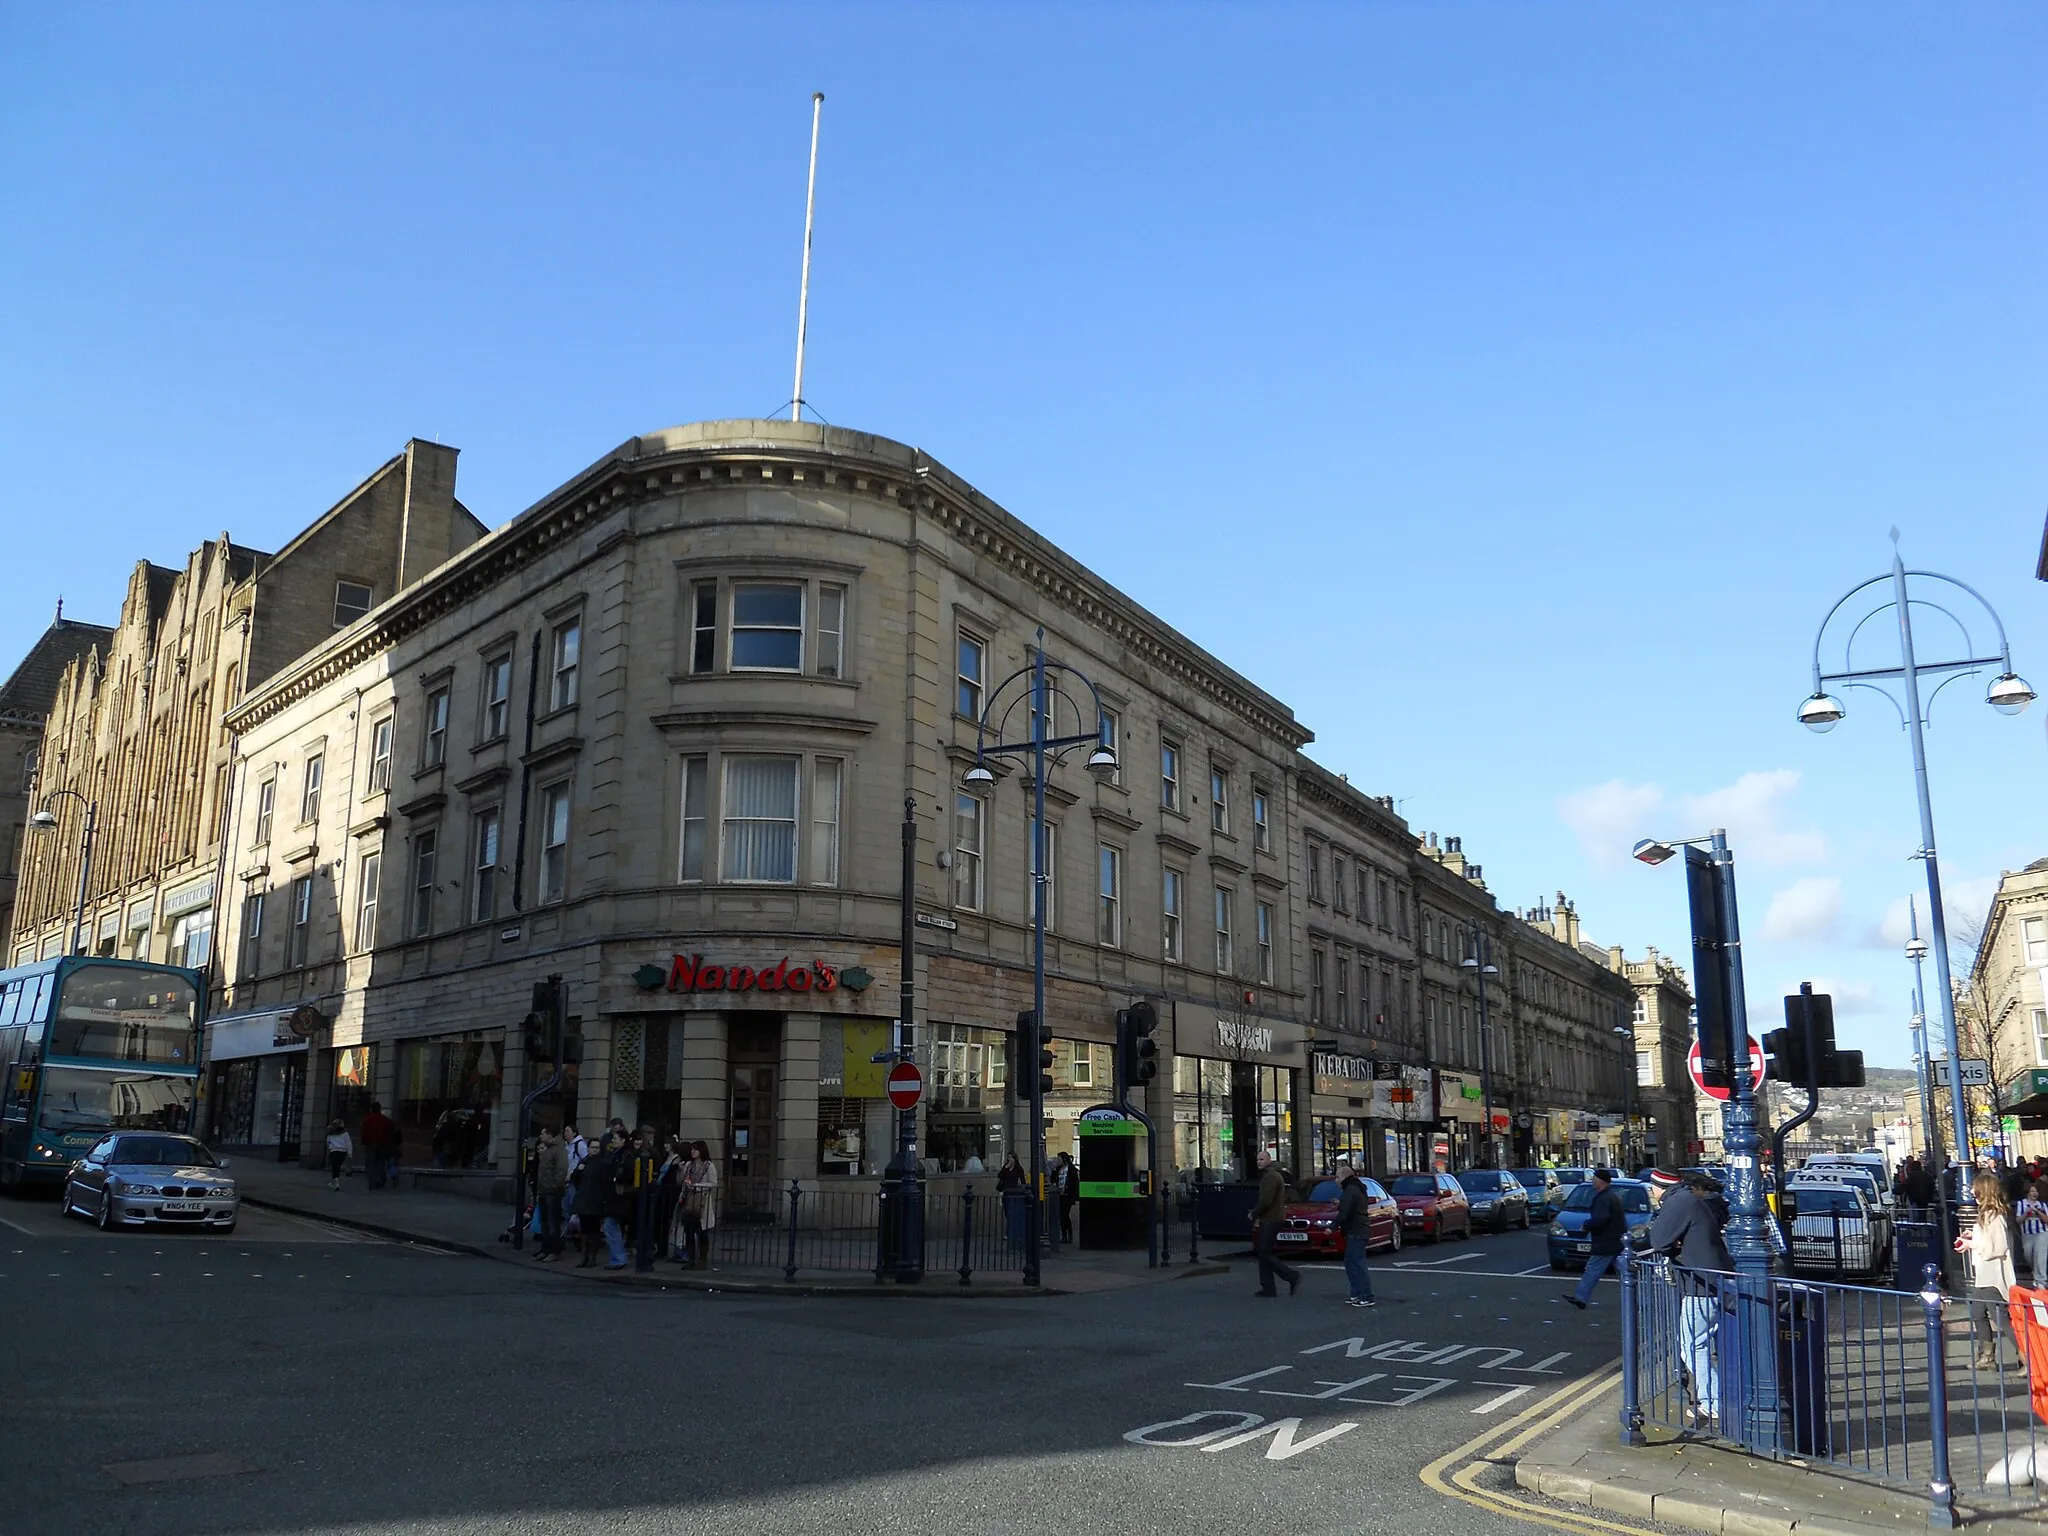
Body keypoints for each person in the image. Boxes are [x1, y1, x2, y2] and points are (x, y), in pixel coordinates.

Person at [1649, 1170, 1734, 1427]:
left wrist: (1673, 1245)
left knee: (1692, 1346)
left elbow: (1658, 1240)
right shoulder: (1687, 1200)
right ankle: (1719, 1399)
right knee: (1704, 1344)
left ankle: (1714, 1403)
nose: (1651, 1191)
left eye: (1652, 1187)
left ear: (1659, 1186)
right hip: (1711, 1281)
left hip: (1700, 1286)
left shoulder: (1678, 1202)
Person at [1959, 1171, 2018, 1369]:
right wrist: (1972, 1235)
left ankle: (2027, 1356)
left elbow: (1997, 1247)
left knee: (2000, 1318)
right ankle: (1987, 1357)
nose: (1973, 1194)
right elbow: (1986, 1238)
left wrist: (1971, 1245)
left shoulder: (1994, 1215)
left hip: (1993, 1276)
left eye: (1976, 1191)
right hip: (1984, 1275)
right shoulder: (1986, 1215)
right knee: (1978, 1313)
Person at [1563, 1168, 1626, 1309]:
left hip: (1605, 1242)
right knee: (1624, 1272)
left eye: (1594, 1179)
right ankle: (1637, 1298)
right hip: (1615, 1241)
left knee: (1593, 1269)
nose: (1592, 1181)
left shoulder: (1604, 1198)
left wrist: (1586, 1225)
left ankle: (1581, 1298)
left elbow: (1601, 1219)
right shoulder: (1610, 1196)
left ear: (1601, 1181)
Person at [1250, 1150, 1301, 1299]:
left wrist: (1254, 1213)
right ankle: (1268, 1287)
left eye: (1262, 1159)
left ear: (1269, 1160)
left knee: (1265, 1252)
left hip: (1271, 1218)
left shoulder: (1271, 1176)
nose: (1259, 1162)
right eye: (1258, 1159)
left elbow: (1266, 1200)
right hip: (1271, 1217)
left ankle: (1291, 1276)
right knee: (1263, 1252)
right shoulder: (1270, 1174)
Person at [1333, 1160, 1376, 1308]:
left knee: (1356, 1264)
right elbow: (1352, 1207)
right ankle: (1357, 1294)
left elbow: (1344, 1213)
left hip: (1356, 1231)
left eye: (1337, 1177)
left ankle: (1366, 1296)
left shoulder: (1350, 1190)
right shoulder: (1356, 1188)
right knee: (1352, 1263)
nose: (1336, 1180)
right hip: (1357, 1230)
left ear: (1344, 1177)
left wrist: (1332, 1227)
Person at [573, 1131, 616, 1268]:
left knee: (594, 1230)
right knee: (584, 1229)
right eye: (593, 1147)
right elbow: (575, 1179)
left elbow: (605, 1183)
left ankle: (592, 1257)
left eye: (597, 1148)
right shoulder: (584, 1161)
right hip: (584, 1198)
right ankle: (584, 1256)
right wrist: (578, 1171)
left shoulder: (603, 1163)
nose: (595, 1150)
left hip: (596, 1199)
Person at [680, 1139, 719, 1269]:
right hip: (689, 1199)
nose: (693, 1152)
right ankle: (691, 1259)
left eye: (695, 1149)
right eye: (692, 1149)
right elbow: (683, 1181)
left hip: (702, 1200)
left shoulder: (709, 1166)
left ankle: (702, 1260)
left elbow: (713, 1183)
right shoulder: (688, 1165)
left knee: (702, 1232)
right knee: (689, 1232)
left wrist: (697, 1185)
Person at [599, 1130, 633, 1269]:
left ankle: (618, 1258)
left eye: (615, 1138)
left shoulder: (625, 1155)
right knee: (612, 1227)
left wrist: (615, 1178)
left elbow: (628, 1174)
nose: (612, 1140)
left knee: (610, 1226)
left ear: (623, 1140)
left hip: (619, 1196)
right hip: (614, 1196)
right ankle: (618, 1257)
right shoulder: (616, 1154)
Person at [533, 1127, 568, 1262]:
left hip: (552, 1191)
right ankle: (545, 1248)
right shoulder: (548, 1149)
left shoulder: (558, 1149)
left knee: (552, 1222)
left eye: (543, 1133)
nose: (540, 1136)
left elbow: (561, 1169)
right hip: (544, 1189)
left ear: (549, 1134)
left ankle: (554, 1250)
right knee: (545, 1222)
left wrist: (555, 1186)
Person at [358, 1102, 398, 1191]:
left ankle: (372, 1182)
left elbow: (363, 1133)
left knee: (371, 1163)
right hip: (382, 1144)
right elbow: (392, 1130)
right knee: (380, 1162)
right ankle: (381, 1180)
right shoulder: (385, 1120)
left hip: (371, 1144)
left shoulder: (367, 1120)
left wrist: (364, 1142)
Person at [996, 1153, 1029, 1251]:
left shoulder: (1019, 1169)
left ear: (1015, 1158)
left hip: (1015, 1193)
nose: (1009, 1159)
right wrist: (1006, 1167)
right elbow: (1000, 1176)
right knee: (1007, 1212)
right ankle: (1010, 1232)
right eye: (1008, 1158)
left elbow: (1022, 1181)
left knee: (1012, 1214)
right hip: (1006, 1192)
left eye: (1011, 1157)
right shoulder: (1006, 1168)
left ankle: (1010, 1233)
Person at [2018, 1180, 2048, 1285]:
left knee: (2041, 1257)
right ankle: (2036, 1273)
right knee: (2028, 1255)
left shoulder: (2043, 1205)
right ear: (2027, 1193)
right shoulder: (2021, 1204)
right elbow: (2018, 1220)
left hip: (2042, 1233)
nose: (2034, 1194)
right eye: (2032, 1191)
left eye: (2036, 1191)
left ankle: (2041, 1282)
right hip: (2027, 1233)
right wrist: (2026, 1214)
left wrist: (2038, 1212)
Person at [1055, 1152, 1079, 1243]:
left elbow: (1075, 1183)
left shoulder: (1071, 1169)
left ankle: (1069, 1234)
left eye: (1059, 1159)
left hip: (1067, 1196)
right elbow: (1054, 1179)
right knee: (1061, 1216)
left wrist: (1074, 1196)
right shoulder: (1058, 1169)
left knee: (1065, 1215)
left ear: (1064, 1160)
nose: (1058, 1161)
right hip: (1060, 1195)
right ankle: (1064, 1235)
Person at [324, 1118, 351, 1191]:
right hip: (343, 1151)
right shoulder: (345, 1133)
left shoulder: (330, 1133)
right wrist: (350, 1153)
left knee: (335, 1167)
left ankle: (336, 1182)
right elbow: (348, 1143)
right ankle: (343, 1169)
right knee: (339, 1164)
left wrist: (329, 1149)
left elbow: (328, 1142)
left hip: (334, 1151)